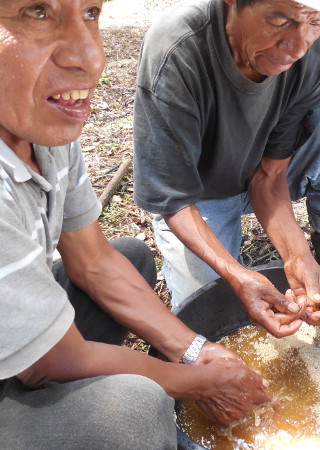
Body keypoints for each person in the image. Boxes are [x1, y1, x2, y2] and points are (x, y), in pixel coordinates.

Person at [0, 1, 273, 447]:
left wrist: (194, 352)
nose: (90, 58)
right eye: (36, 11)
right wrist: (196, 383)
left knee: (128, 257)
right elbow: (47, 361)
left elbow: (92, 261)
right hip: (22, 367)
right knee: (134, 410)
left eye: (90, 13)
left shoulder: (43, 131)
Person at [132, 0, 320, 334]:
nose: (298, 47)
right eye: (280, 19)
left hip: (258, 173)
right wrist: (237, 276)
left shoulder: (314, 58)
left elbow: (269, 176)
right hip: (196, 197)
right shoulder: (177, 52)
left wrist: (298, 256)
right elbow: (173, 198)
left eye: (316, 20)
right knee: (208, 305)